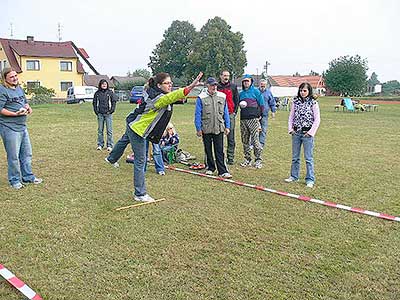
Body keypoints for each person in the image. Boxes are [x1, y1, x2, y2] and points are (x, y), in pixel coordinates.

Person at [125, 71, 203, 202]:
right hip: (138, 130)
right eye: (167, 83)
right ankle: (140, 193)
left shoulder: (156, 93)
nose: (170, 85)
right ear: (159, 85)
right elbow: (173, 96)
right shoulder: (157, 98)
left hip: (144, 130)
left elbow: (173, 98)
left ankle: (112, 159)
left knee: (138, 155)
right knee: (140, 161)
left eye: (171, 83)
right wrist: (192, 85)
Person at [0, 68, 43, 189]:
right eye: (12, 77)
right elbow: (1, 109)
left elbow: (24, 100)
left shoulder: (18, 88)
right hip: (9, 127)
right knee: (13, 156)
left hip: (22, 126)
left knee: (27, 154)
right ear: (5, 79)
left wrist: (28, 107)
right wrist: (15, 114)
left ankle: (28, 177)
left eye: (15, 76)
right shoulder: (2, 90)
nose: (15, 78)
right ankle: (15, 181)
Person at [285, 82, 320, 188]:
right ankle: (294, 176)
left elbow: (317, 119)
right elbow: (291, 116)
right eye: (301, 90)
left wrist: (310, 133)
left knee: (308, 158)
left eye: (305, 90)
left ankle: (310, 179)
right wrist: (290, 129)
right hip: (296, 133)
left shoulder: (313, 103)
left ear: (309, 91)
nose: (302, 92)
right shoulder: (295, 102)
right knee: (295, 157)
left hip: (307, 133)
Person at [195, 77, 232, 178]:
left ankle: (222, 171)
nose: (214, 87)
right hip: (206, 127)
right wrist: (198, 128)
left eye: (215, 85)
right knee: (208, 149)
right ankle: (210, 168)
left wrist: (227, 126)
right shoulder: (201, 97)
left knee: (219, 149)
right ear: (207, 85)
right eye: (212, 85)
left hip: (219, 127)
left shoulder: (222, 96)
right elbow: (198, 114)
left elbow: (226, 113)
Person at [238, 74, 264, 169]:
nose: (246, 83)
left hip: (253, 119)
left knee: (255, 140)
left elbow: (261, 105)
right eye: (244, 81)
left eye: (247, 81)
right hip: (243, 119)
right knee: (245, 140)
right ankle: (247, 159)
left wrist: (259, 115)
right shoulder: (241, 94)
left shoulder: (256, 92)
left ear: (251, 82)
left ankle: (258, 160)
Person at [217, 70, 239, 165]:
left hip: (230, 114)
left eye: (228, 76)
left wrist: (234, 112)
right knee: (219, 136)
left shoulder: (233, 87)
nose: (226, 77)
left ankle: (230, 157)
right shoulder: (217, 87)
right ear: (220, 76)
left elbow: (237, 100)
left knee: (231, 137)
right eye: (225, 75)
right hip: (219, 114)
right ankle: (220, 157)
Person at [93, 79, 117, 151]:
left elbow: (114, 102)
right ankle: (100, 144)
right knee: (100, 130)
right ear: (100, 85)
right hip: (100, 114)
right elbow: (94, 103)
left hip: (108, 114)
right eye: (103, 84)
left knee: (109, 130)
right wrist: (96, 111)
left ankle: (109, 145)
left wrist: (111, 110)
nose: (104, 85)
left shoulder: (110, 93)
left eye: (105, 84)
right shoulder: (97, 93)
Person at [258, 79, 276, 148]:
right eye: (261, 84)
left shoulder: (269, 93)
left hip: (264, 115)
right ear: (259, 84)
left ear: (266, 85)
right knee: (254, 130)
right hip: (256, 114)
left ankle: (261, 144)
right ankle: (253, 144)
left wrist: (273, 111)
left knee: (263, 130)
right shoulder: (256, 92)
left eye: (264, 85)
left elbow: (272, 102)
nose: (262, 86)